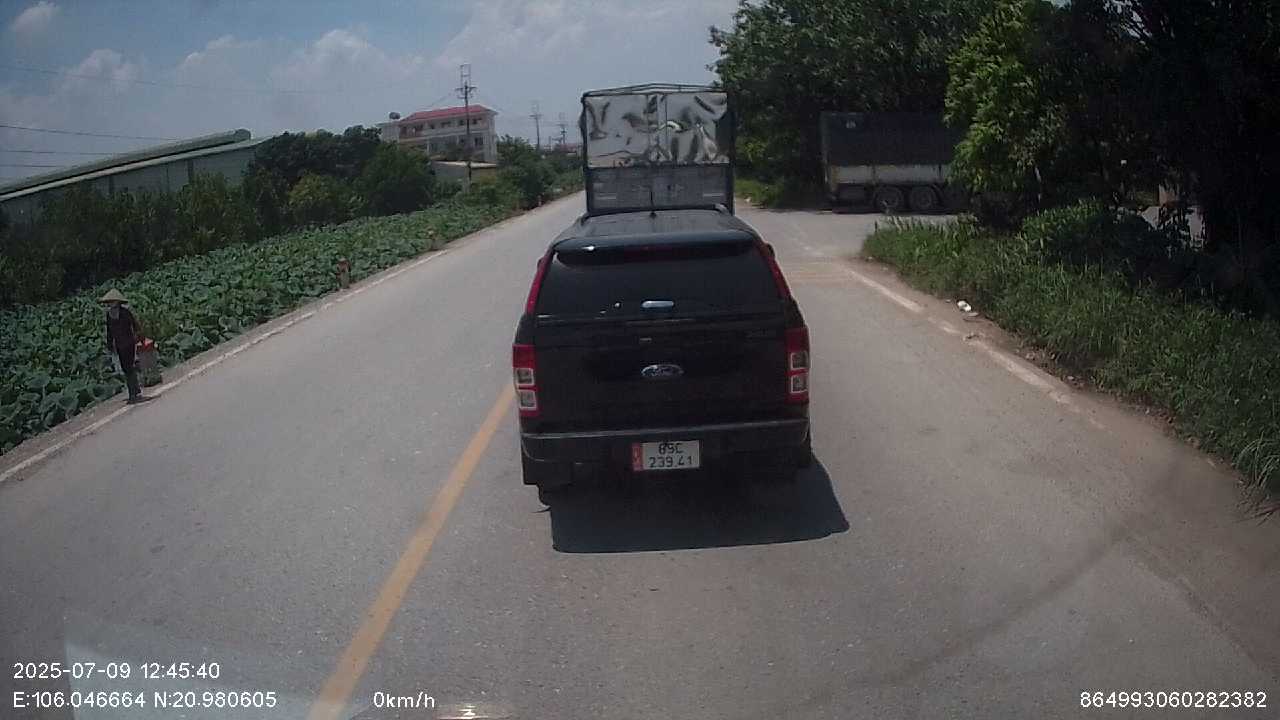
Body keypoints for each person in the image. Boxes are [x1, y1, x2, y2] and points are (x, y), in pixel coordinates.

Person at [99, 288, 148, 404]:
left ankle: (133, 393)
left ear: (117, 302)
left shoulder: (125, 312)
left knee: (129, 368)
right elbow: (109, 332)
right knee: (126, 369)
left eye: (112, 301)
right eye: (109, 302)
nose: (110, 304)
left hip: (129, 343)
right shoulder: (109, 315)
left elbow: (135, 325)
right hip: (119, 345)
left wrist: (140, 337)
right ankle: (135, 391)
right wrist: (110, 344)